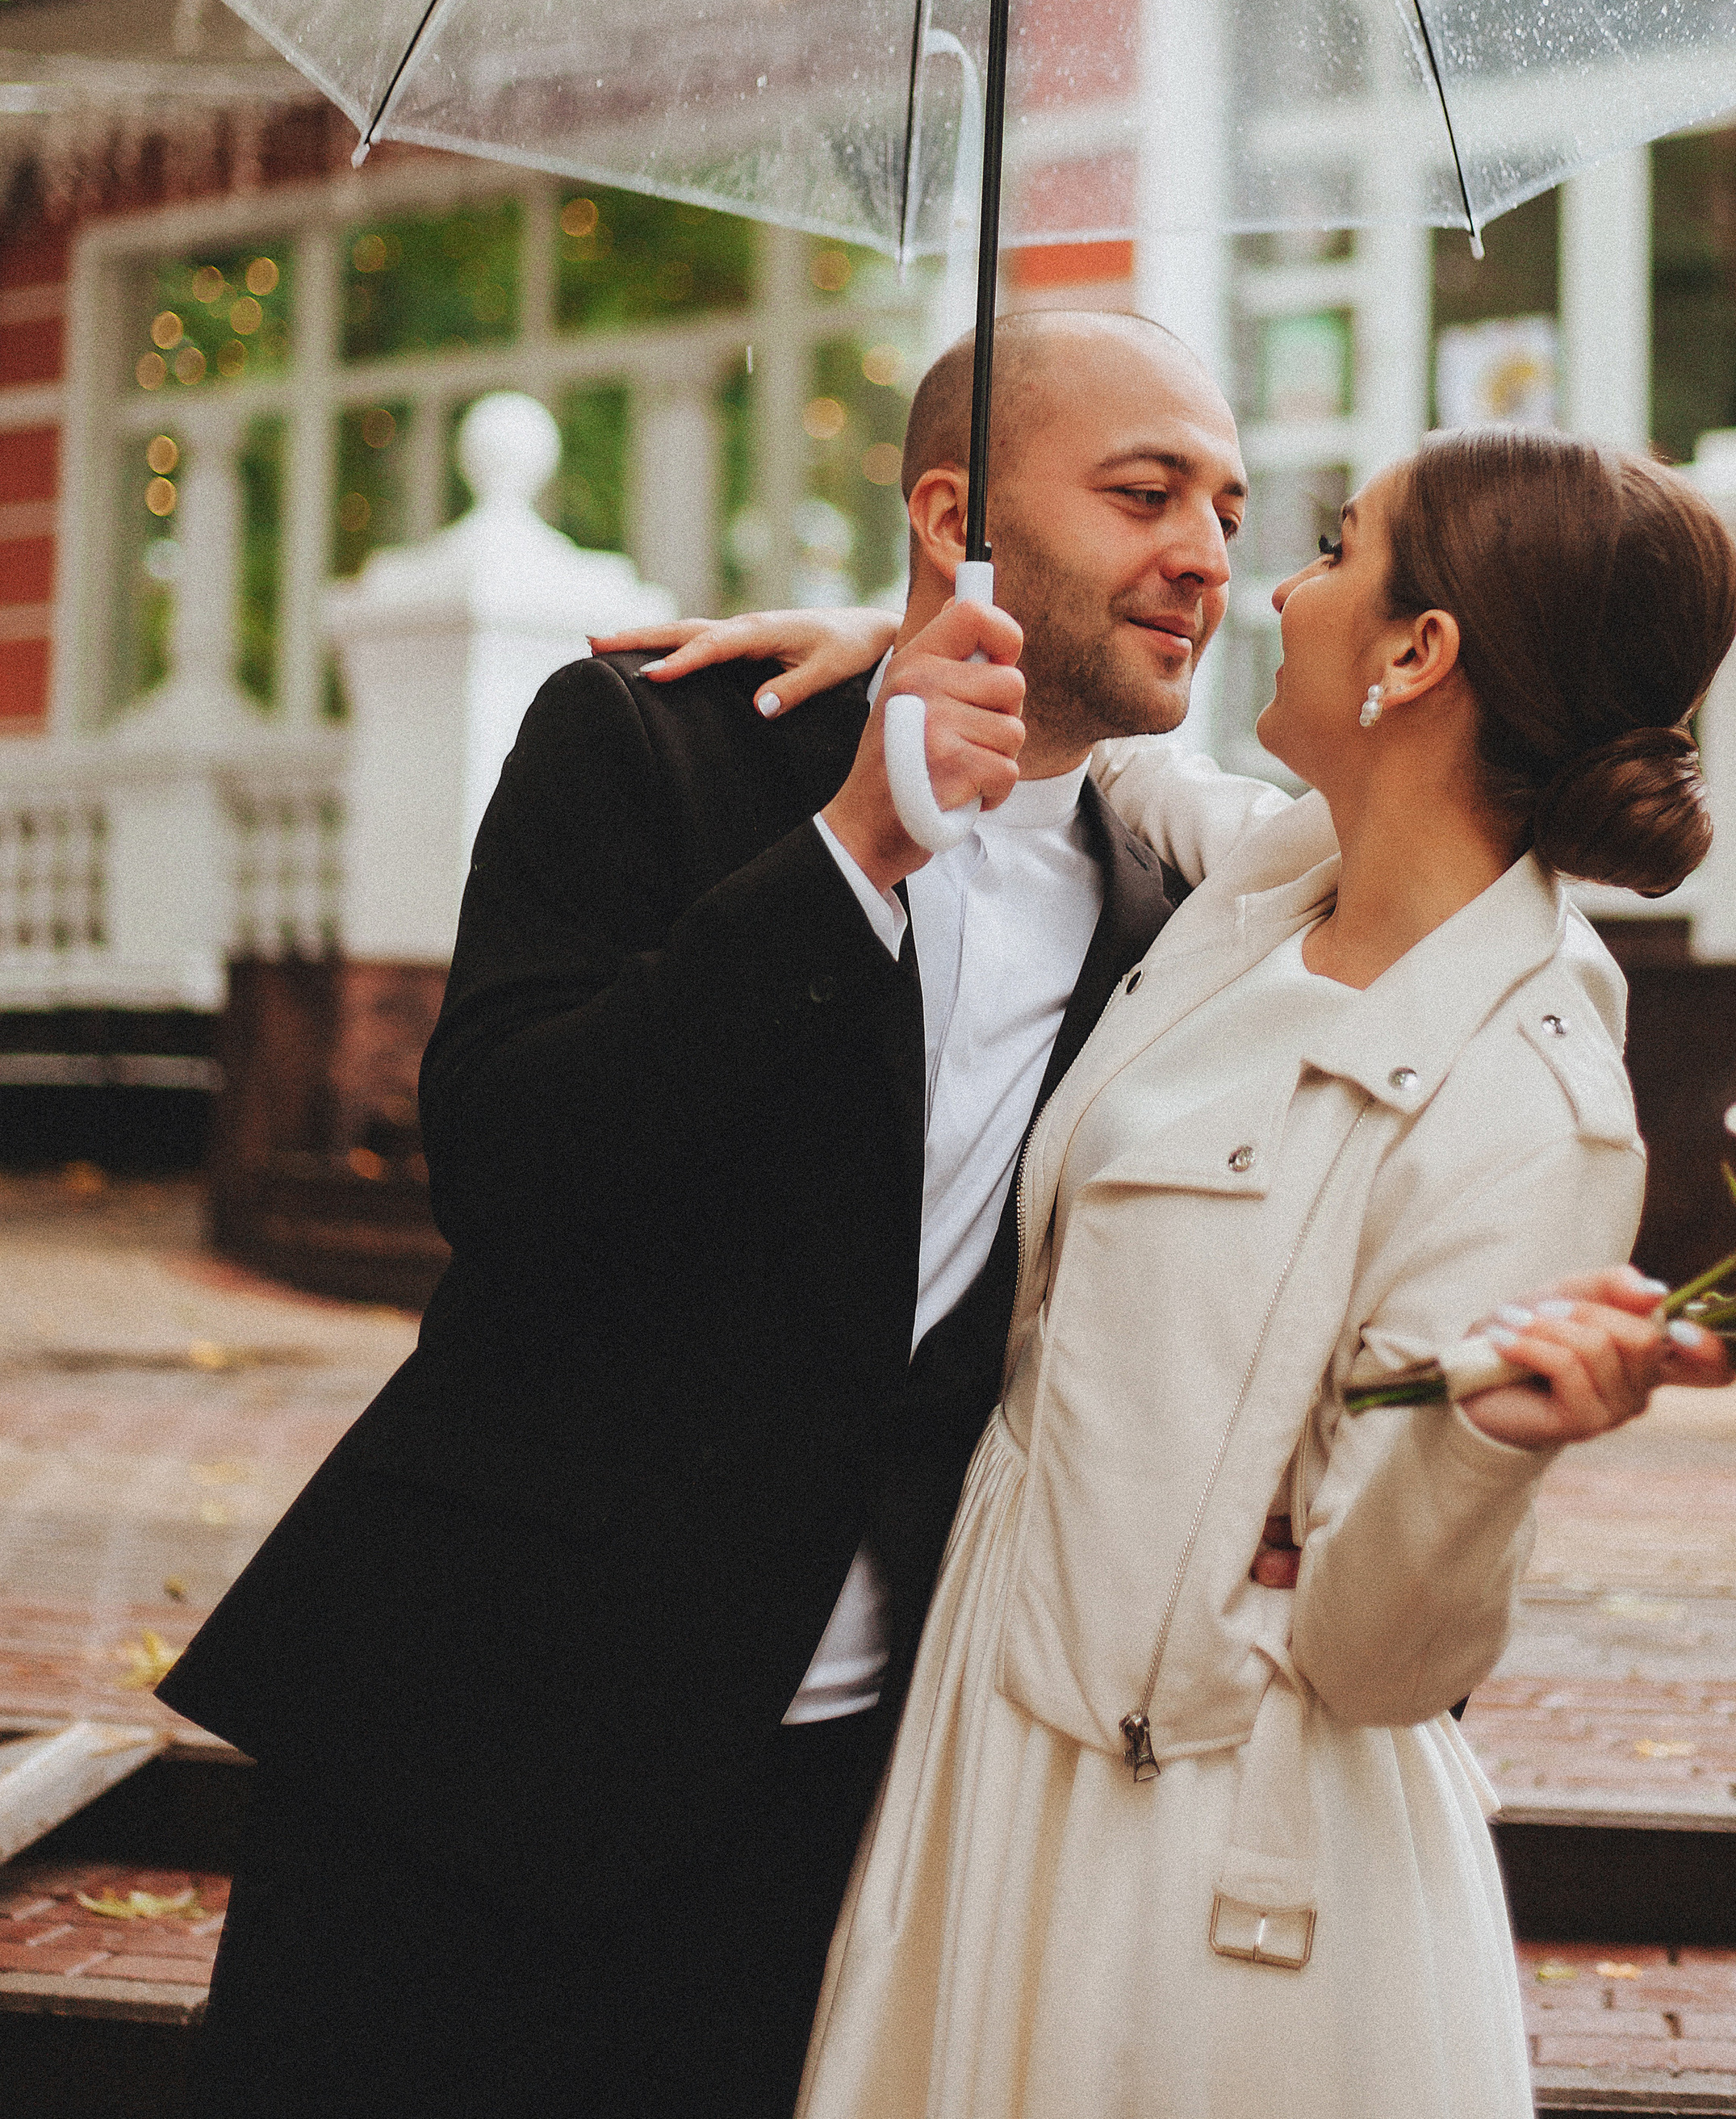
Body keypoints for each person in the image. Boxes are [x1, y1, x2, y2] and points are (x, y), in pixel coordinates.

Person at [161, 308, 1263, 2119]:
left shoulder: (1178, 900)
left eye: (1226, 505)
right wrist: (851, 851)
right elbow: (509, 1169)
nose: (1203, 556)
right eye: (1144, 495)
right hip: (480, 1719)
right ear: (950, 516)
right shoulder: (649, 741)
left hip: (848, 1790)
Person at [663, 426, 1736, 2119]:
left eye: (1328, 545)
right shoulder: (1262, 874)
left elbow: (1383, 1659)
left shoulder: (1533, 1105)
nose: (1267, 582)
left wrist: (1485, 1450)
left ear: (1415, 652)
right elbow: (1086, 750)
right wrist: (894, 651)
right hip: (990, 1746)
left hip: (1208, 1861)